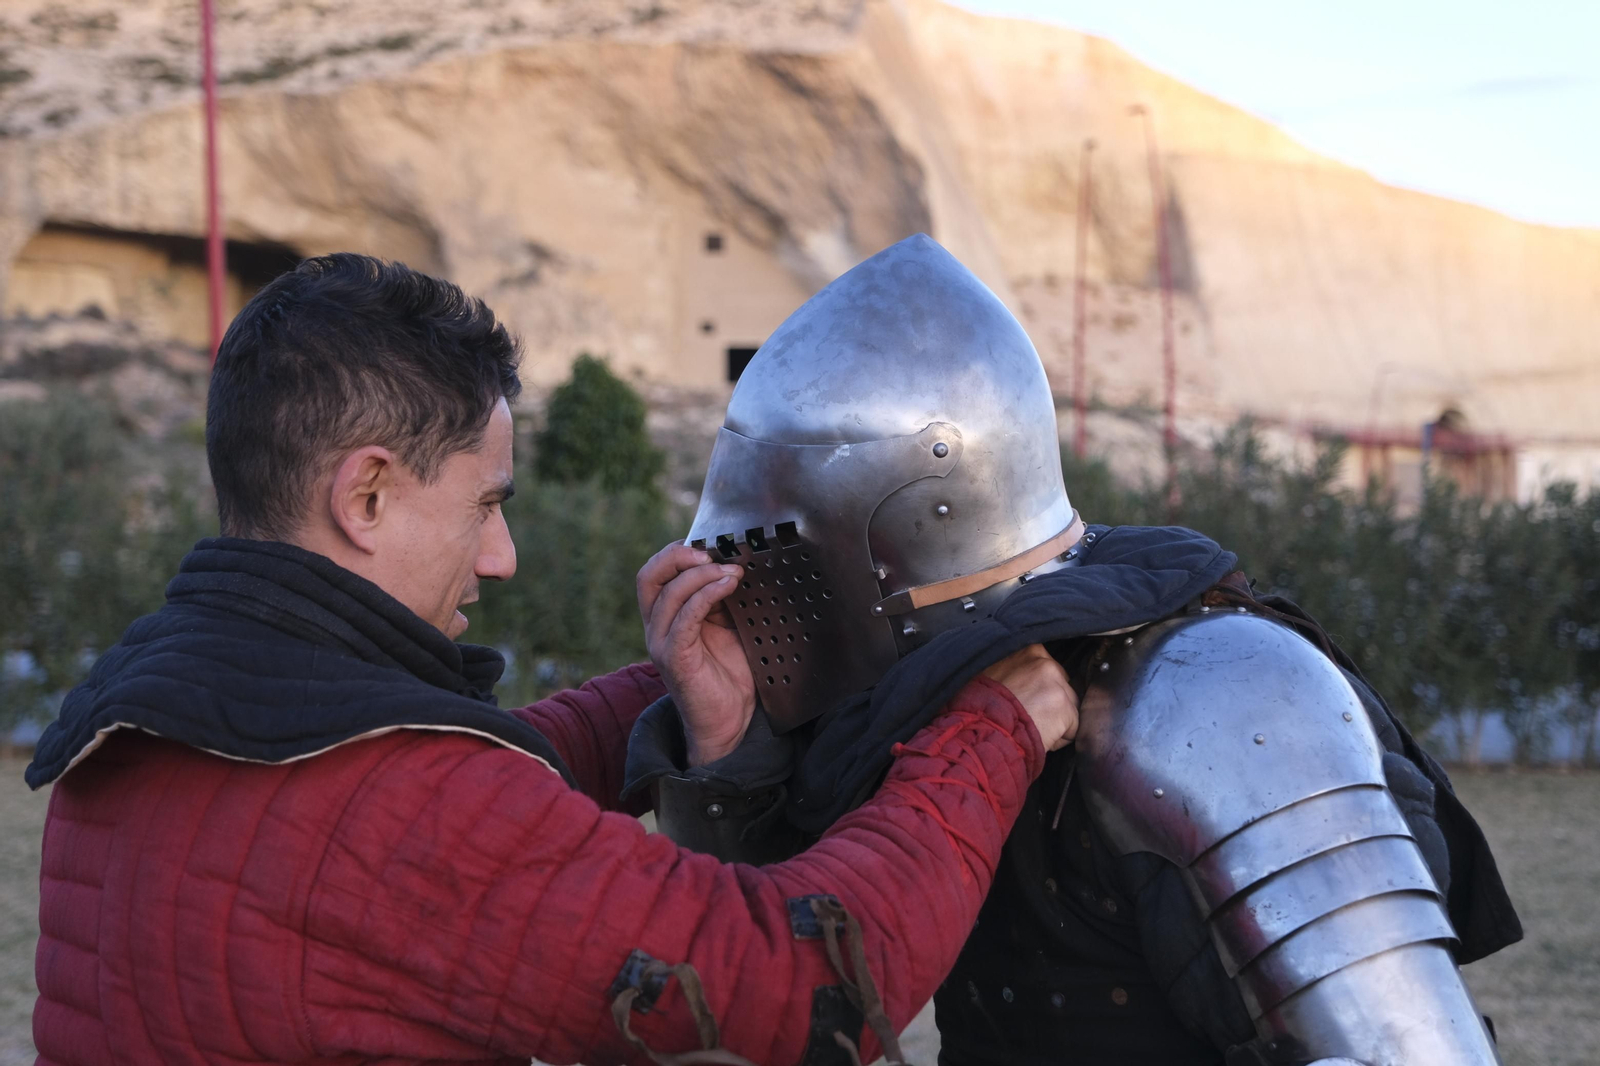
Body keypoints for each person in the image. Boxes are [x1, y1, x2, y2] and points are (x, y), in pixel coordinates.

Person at [23, 253, 1080, 1066]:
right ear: (367, 496)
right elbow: (803, 984)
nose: (503, 555)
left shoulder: (147, 713)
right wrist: (989, 733)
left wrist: (683, 681)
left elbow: (479, 781)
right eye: (484, 504)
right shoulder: (397, 804)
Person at [625, 235, 1524, 1066]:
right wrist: (726, 745)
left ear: (919, 514)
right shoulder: (921, 702)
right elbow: (777, 980)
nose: (762, 594)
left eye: (787, 554)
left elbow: (1405, 1051)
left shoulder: (1215, 696)